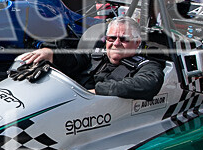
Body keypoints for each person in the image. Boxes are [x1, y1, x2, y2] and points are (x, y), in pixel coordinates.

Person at [18, 16, 164, 100]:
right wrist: (50, 54)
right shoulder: (96, 55)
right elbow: (74, 59)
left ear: (137, 42)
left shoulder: (147, 66)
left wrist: (96, 91)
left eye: (124, 39)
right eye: (111, 38)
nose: (116, 43)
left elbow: (149, 83)